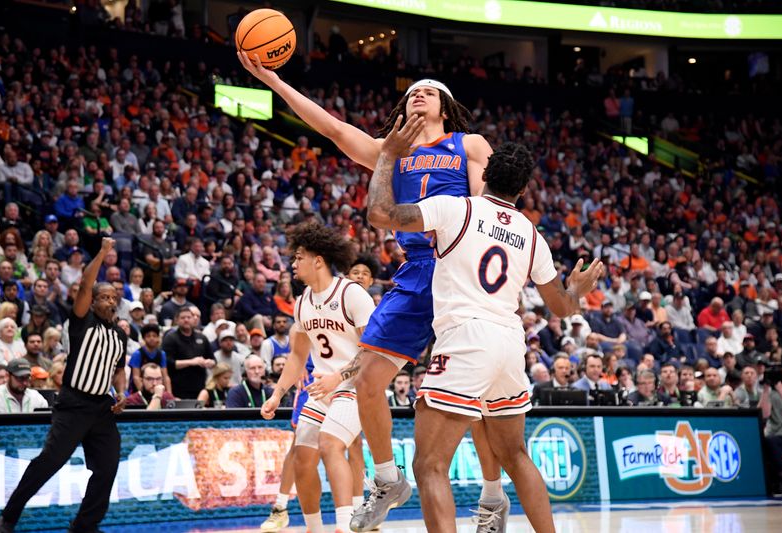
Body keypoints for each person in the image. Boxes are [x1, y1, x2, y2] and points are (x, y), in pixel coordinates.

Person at [237, 57, 507, 532]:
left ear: (446, 105)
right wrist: (274, 81)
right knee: (365, 379)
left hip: (458, 271)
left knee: (478, 398)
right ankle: (386, 479)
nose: (418, 94)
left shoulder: (469, 143)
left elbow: (490, 210)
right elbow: (333, 128)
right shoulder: (391, 151)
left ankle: (491, 497)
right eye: (412, 92)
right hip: (415, 272)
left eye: (428, 89)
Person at [358, 121, 603, 532]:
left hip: (467, 339)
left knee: (429, 463)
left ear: (484, 175)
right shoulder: (531, 233)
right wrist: (576, 290)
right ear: (523, 191)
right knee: (516, 455)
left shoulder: (456, 206)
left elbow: (379, 215)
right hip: (510, 345)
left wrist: (386, 157)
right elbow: (561, 307)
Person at [0, 238, 127, 533]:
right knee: (49, 461)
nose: (110, 301)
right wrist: (104, 253)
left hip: (102, 409)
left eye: (114, 297)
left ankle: (84, 526)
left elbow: (119, 369)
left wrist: (122, 392)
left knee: (106, 468)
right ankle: (10, 517)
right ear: (92, 301)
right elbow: (84, 283)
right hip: (74, 403)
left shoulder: (120, 334)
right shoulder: (83, 321)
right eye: (104, 297)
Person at [261, 222, 375, 533]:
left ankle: (344, 525)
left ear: (318, 261)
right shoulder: (302, 304)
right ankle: (314, 527)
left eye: (298, 258)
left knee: (330, 444)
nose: (293, 264)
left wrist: (338, 376)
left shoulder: (352, 293)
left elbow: (372, 351)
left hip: (356, 387)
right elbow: (297, 356)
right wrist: (277, 392)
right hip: (321, 389)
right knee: (301, 456)